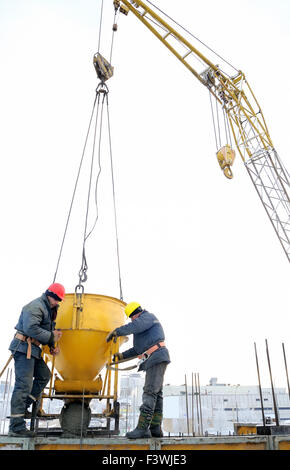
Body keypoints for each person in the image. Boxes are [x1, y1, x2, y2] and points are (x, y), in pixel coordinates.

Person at [8, 283, 65, 437]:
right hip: (23, 348)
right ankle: (16, 426)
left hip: (33, 349)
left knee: (44, 375)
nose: (58, 302)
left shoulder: (48, 310)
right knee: (23, 384)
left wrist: (52, 345)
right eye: (57, 299)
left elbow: (47, 331)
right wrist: (52, 336)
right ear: (49, 295)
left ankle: (24, 405)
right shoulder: (35, 306)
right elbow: (31, 328)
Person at [106, 301, 170, 439]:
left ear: (137, 313)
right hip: (155, 359)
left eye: (132, 317)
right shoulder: (143, 329)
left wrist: (117, 331)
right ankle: (155, 428)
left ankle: (142, 428)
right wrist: (121, 357)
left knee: (149, 393)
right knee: (156, 394)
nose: (132, 320)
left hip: (156, 357)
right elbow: (137, 350)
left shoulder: (147, 317)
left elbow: (135, 326)